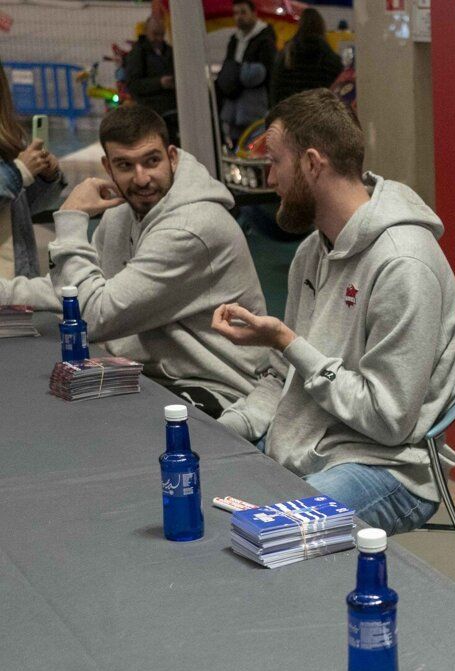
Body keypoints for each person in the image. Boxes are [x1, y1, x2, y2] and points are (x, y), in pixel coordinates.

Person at [212, 89, 455, 536]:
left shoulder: (403, 263)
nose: (270, 178)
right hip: (309, 443)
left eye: (275, 162)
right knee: (204, 483)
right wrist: (223, 429)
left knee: (275, 533)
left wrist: (289, 342)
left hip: (388, 466)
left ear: (312, 164)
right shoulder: (313, 251)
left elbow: (389, 420)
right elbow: (282, 379)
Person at [16, 105, 265, 415]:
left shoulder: (191, 229)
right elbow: (75, 291)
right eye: (125, 165)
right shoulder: (123, 212)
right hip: (151, 375)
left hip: (217, 386)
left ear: (172, 157)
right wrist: (5, 292)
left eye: (152, 161)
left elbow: (92, 318)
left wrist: (72, 219)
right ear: (107, 167)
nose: (142, 178)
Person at [0, 62, 65, 289]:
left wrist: (46, 177)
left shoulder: (8, 141)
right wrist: (20, 171)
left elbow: (22, 209)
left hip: (19, 279)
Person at [216, 0, 276, 147]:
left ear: (254, 13)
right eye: (236, 13)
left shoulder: (265, 39)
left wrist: (237, 72)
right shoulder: (234, 40)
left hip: (255, 109)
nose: (239, 17)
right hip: (233, 110)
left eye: (243, 12)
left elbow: (263, 74)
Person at [269, 9, 344, 106]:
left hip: (290, 110)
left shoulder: (287, 53)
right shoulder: (330, 57)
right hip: (318, 111)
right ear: (322, 26)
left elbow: (275, 87)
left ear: (300, 25)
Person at [123, 16, 176, 117]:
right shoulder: (138, 53)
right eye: (155, 34)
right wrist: (159, 83)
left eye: (162, 34)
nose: (159, 38)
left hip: (171, 109)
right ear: (146, 31)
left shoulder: (169, 51)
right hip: (149, 111)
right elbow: (133, 85)